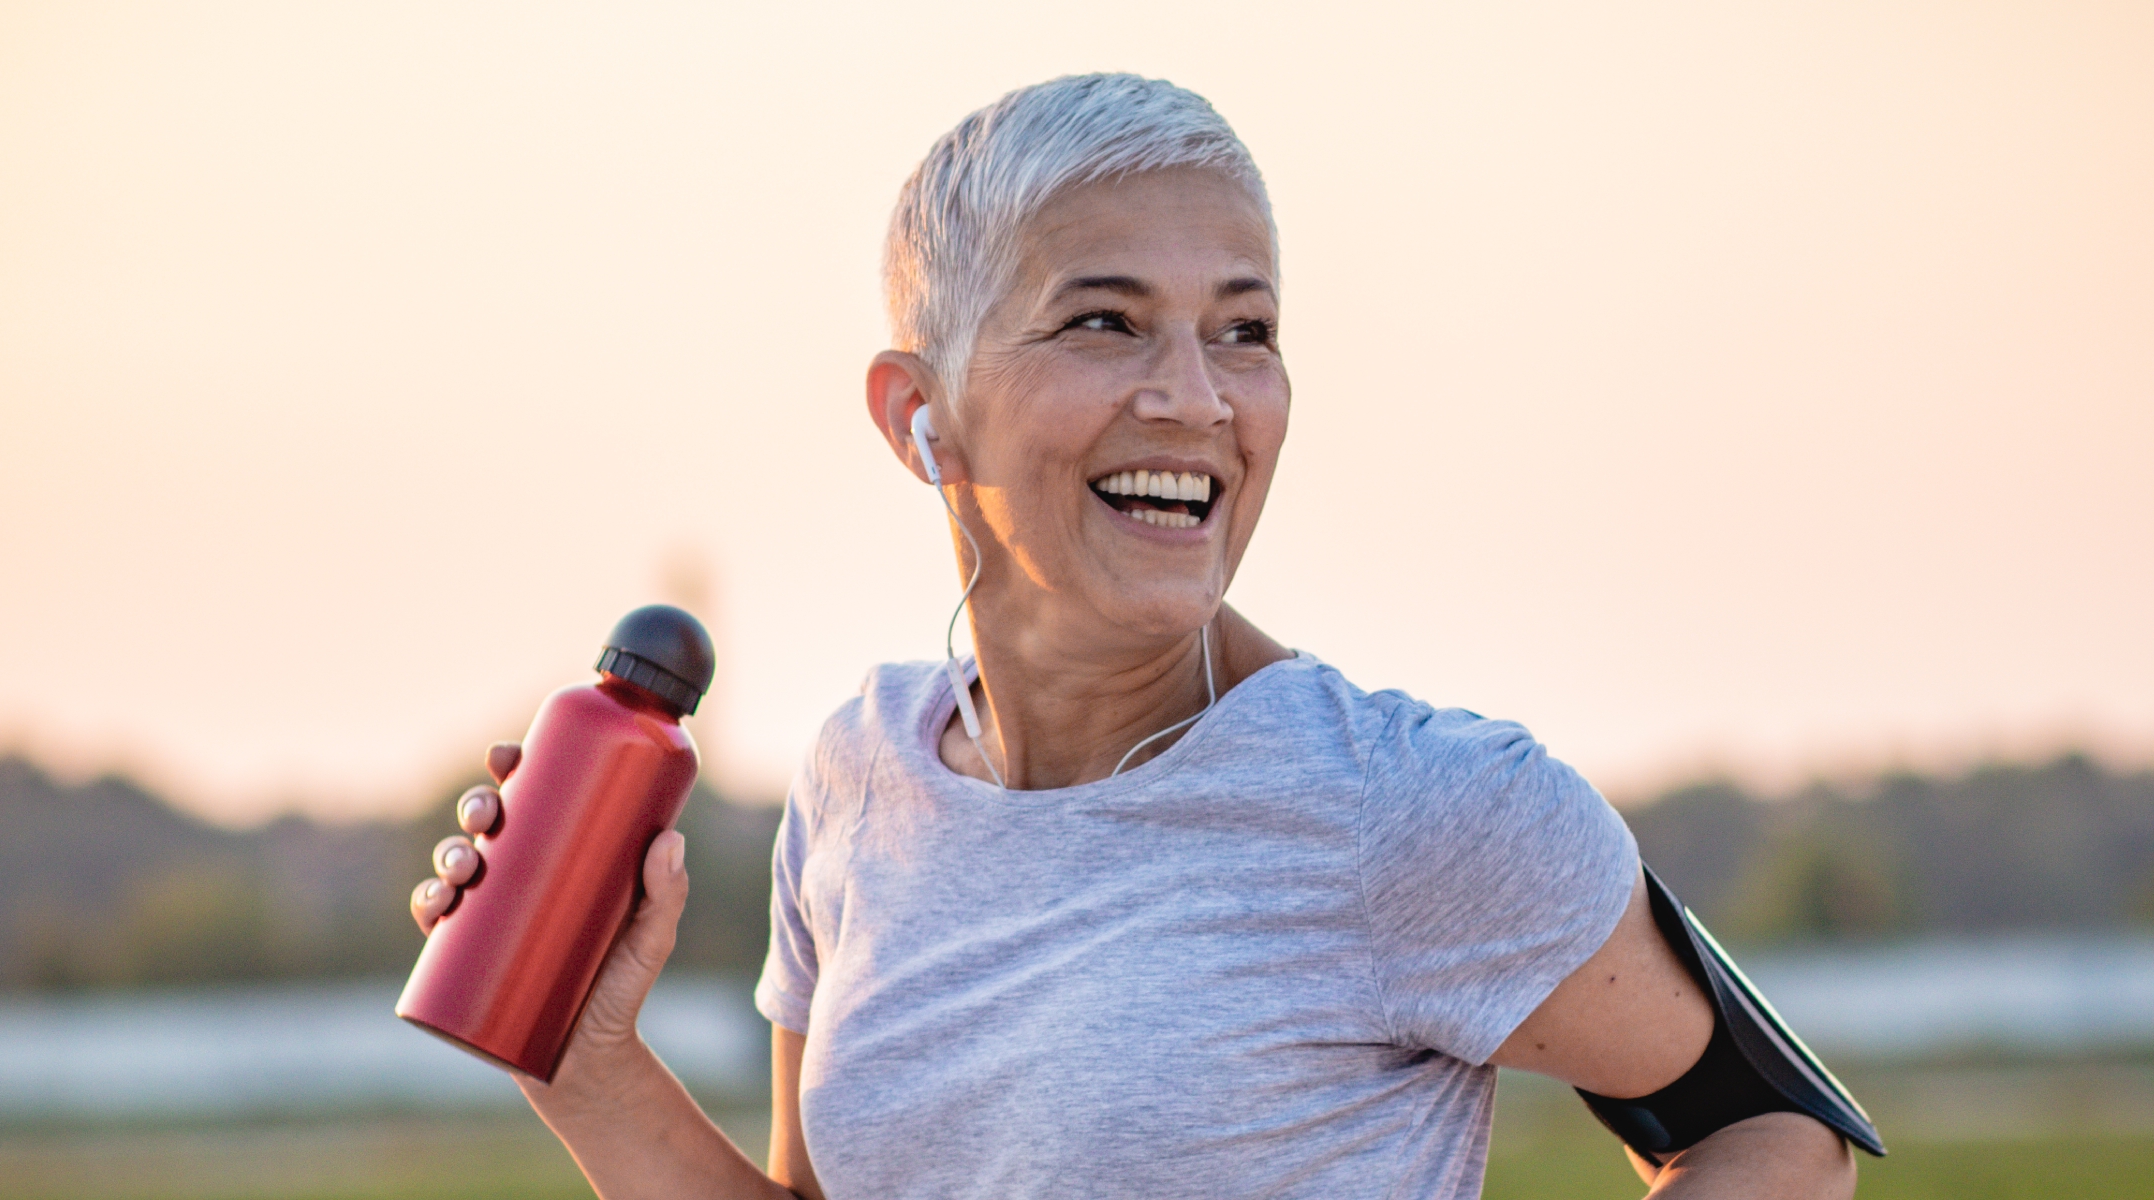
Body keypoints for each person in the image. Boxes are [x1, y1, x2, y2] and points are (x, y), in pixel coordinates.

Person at [411, 73, 1857, 1199]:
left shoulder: (1418, 805)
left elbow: (1779, 1134)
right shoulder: (863, 776)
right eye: (1105, 323)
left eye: (1244, 331)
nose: (1197, 399)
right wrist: (586, 1062)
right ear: (920, 412)